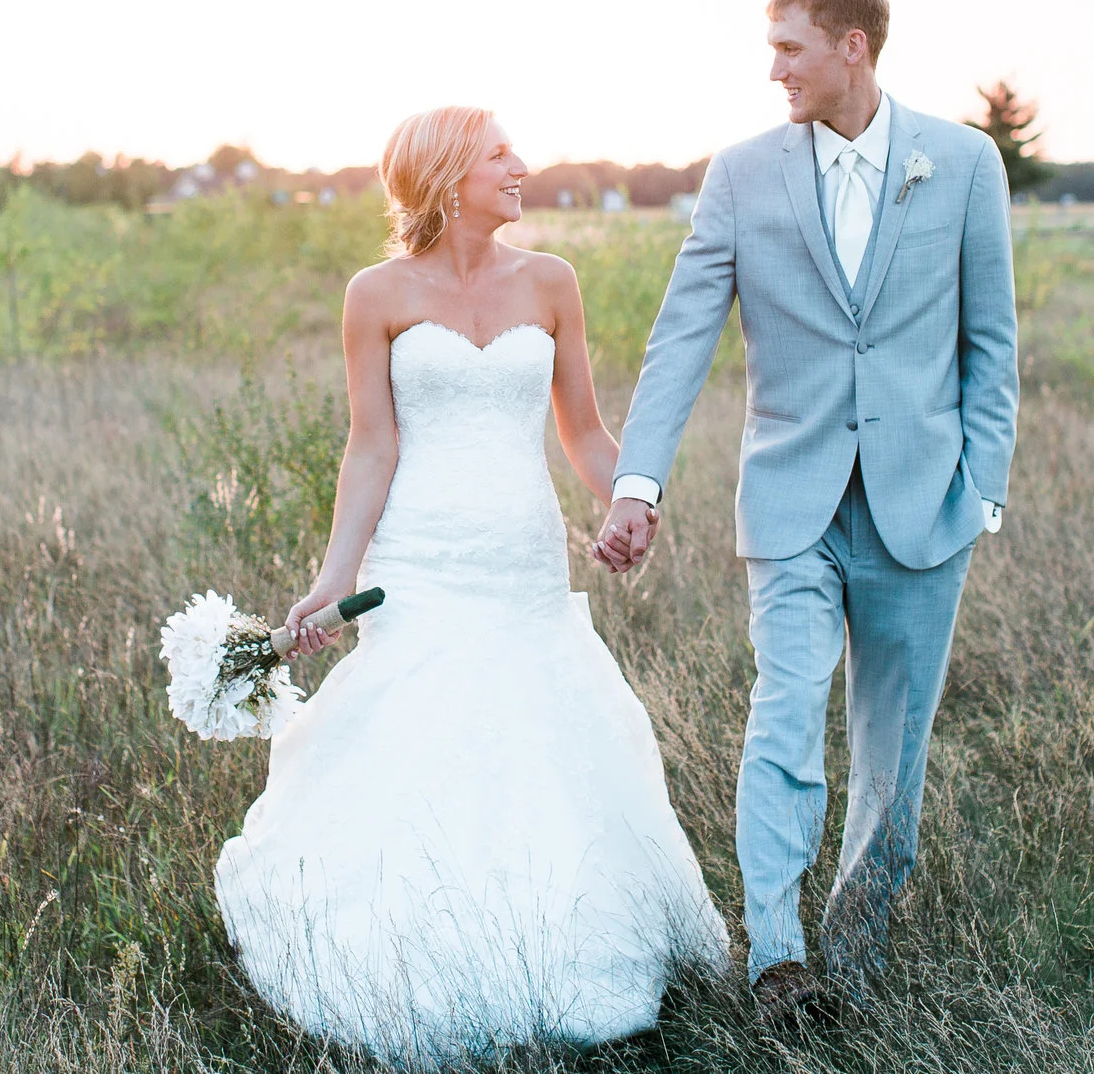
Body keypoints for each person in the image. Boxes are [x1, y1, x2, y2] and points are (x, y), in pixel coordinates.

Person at [213, 106, 727, 1063]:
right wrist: (333, 576)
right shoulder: (375, 294)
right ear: (449, 175)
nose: (520, 165)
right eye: (500, 154)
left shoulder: (552, 280)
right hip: (418, 561)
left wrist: (631, 497)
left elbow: (584, 432)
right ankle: (416, 939)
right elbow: (371, 448)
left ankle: (558, 936)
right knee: (423, 733)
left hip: (522, 559)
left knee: (535, 732)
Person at [591, 0, 1019, 1018]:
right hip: (791, 502)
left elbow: (991, 341)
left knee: (891, 754)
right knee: (784, 713)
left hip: (924, 507)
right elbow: (682, 334)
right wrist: (638, 481)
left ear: (850, 47)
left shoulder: (964, 163)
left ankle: (858, 953)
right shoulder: (741, 175)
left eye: (790, 47)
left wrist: (982, 489)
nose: (774, 68)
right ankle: (778, 960)